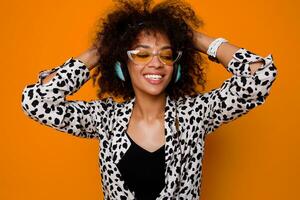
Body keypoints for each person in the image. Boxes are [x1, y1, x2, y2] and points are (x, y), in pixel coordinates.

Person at [21, 0, 278, 199]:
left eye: (166, 55)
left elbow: (260, 76)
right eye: (142, 55)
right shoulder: (105, 119)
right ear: (122, 65)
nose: (156, 63)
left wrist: (193, 39)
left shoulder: (195, 115)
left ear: (176, 66)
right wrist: (100, 51)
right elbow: (37, 102)